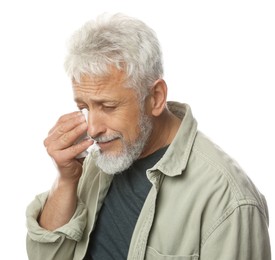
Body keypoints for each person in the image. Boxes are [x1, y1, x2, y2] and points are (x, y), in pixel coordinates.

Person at [26, 13, 271, 260]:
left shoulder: (229, 200)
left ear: (155, 97)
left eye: (108, 106)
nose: (92, 129)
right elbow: (45, 256)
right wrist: (66, 179)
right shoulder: (99, 160)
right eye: (85, 108)